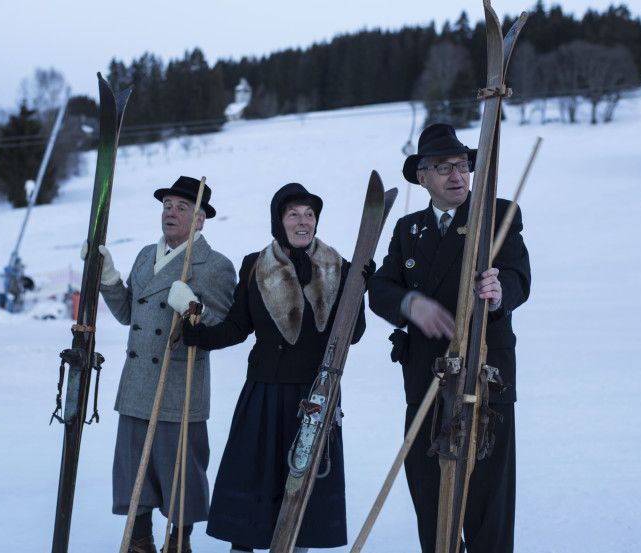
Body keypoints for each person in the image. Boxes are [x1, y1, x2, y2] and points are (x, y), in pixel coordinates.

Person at [367, 124, 531, 553]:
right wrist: (411, 304)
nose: (457, 175)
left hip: (484, 379)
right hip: (426, 380)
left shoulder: (496, 215)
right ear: (422, 177)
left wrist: (499, 292)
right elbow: (380, 289)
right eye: (443, 167)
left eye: (461, 165)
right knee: (430, 494)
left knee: (485, 498)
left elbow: (518, 276)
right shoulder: (408, 229)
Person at [181, 182, 367, 553]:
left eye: (309, 215)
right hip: (265, 389)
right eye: (293, 214)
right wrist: (199, 335)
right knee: (255, 473)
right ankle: (244, 545)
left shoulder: (338, 265)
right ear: (278, 220)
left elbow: (353, 335)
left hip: (316, 394)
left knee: (304, 475)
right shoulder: (255, 265)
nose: (303, 222)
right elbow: (238, 326)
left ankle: (296, 544)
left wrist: (359, 292)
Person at [94, 176, 236, 553]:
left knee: (180, 475)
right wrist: (107, 278)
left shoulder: (215, 265)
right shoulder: (144, 254)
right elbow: (127, 312)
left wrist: (194, 310)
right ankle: (139, 542)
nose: (170, 213)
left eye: (182, 208)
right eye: (167, 206)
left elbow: (223, 329)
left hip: (179, 387)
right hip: (138, 384)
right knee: (132, 472)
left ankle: (178, 544)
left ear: (201, 219)